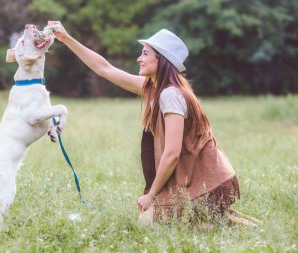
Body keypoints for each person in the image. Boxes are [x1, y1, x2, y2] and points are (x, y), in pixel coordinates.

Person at [48, 21, 260, 226]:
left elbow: (172, 154)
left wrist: (151, 195)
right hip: (196, 179)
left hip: (205, 182)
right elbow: (104, 69)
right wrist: (66, 38)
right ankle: (216, 216)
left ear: (163, 61)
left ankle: (218, 221)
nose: (139, 58)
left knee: (146, 224)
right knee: (153, 219)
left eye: (145, 54)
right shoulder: (154, 88)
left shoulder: (171, 95)